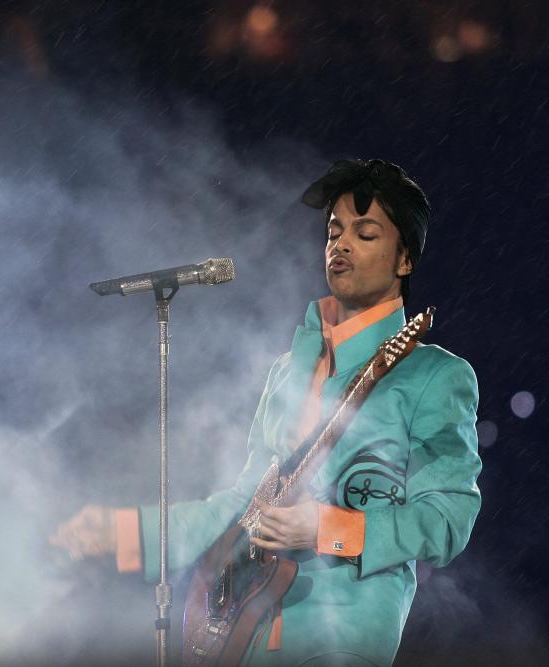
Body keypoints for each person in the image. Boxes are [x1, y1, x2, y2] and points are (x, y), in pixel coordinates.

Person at [50, 159, 482, 666]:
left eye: (364, 234)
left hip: (342, 635)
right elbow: (242, 506)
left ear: (404, 260)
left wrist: (327, 529)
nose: (340, 245)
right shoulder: (289, 369)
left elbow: (449, 517)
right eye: (333, 231)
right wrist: (126, 532)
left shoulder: (434, 376)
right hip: (248, 634)